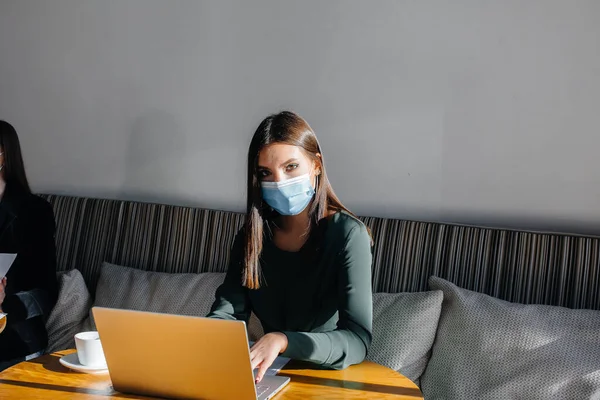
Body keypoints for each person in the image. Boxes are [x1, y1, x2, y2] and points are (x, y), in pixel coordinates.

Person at [208, 111, 373, 383]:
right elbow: (229, 311)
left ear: (316, 165)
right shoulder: (253, 236)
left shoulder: (347, 235)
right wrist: (204, 335)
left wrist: (284, 341)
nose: (279, 183)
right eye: (266, 173)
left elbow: (357, 339)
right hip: (264, 376)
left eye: (291, 167)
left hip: (326, 380)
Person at [0, 120, 58, 370]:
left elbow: (46, 292)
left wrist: (5, 302)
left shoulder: (35, 212)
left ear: (4, 155)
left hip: (16, 334)